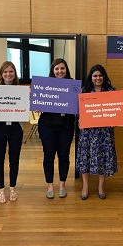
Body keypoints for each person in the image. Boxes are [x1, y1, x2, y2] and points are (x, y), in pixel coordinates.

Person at [76, 65, 118, 200]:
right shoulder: (84, 91)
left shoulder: (111, 91)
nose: (98, 78)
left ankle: (101, 186)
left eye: (100, 75)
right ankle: (85, 186)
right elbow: (79, 112)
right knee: (86, 158)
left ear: (104, 76)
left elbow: (117, 111)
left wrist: (115, 120)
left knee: (103, 158)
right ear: (91, 77)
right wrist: (80, 120)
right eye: (95, 76)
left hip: (105, 132)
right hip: (88, 132)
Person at [38, 58, 75, 199]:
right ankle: (50, 186)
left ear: (66, 70)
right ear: (53, 71)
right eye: (57, 69)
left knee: (64, 156)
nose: (60, 71)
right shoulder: (45, 85)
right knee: (48, 156)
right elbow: (38, 103)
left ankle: (62, 185)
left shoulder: (73, 85)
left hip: (66, 126)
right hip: (47, 126)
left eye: (62, 68)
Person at [0, 61, 23, 203]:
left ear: (15, 73)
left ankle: (12, 188)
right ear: (1, 74)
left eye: (11, 71)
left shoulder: (22, 91)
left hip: (16, 128)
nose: (8, 74)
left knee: (14, 160)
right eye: (5, 72)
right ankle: (0, 190)